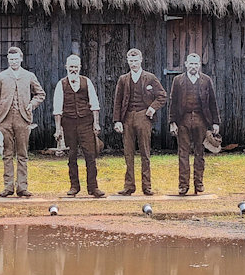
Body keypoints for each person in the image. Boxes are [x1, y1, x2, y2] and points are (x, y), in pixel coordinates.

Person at [0, 46, 46, 197]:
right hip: (4, 120)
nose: (13, 62)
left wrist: (32, 104)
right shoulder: (0, 77)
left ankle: (22, 187)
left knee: (22, 154)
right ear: (8, 60)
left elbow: (41, 94)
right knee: (7, 154)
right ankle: (8, 187)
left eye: (16, 59)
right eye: (11, 59)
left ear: (21, 58)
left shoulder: (29, 75)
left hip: (23, 119)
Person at [112, 48, 166, 196]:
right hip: (128, 117)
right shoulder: (123, 79)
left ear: (141, 60)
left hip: (144, 117)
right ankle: (129, 186)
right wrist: (117, 120)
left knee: (145, 152)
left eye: (136, 61)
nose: (133, 64)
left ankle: (147, 186)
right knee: (128, 153)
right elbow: (117, 101)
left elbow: (162, 96)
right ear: (127, 61)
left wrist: (152, 108)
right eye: (131, 61)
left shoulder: (150, 78)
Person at [52, 54, 105, 198]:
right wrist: (58, 129)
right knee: (72, 156)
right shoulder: (61, 84)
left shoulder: (86, 82)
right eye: (71, 67)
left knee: (90, 155)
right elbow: (57, 109)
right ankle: (74, 186)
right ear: (66, 67)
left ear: (80, 67)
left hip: (85, 123)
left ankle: (93, 187)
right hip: (68, 124)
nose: (73, 69)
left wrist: (96, 123)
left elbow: (94, 105)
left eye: (76, 67)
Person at [168, 53, 220, 195]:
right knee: (183, 153)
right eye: (191, 64)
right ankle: (183, 185)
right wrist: (172, 122)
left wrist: (215, 122)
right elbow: (173, 103)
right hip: (183, 120)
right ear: (185, 64)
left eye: (196, 64)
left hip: (201, 120)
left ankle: (199, 183)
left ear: (199, 65)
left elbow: (212, 102)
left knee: (200, 152)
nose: (193, 67)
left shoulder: (206, 80)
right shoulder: (178, 81)